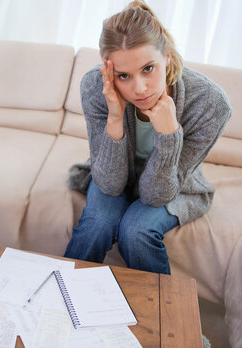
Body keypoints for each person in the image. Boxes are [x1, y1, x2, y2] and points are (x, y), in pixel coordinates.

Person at [64, 0, 232, 275]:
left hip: (176, 184)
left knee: (137, 230)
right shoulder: (96, 87)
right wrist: (115, 118)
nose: (139, 88)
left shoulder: (210, 104)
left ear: (167, 55)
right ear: (107, 70)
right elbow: (107, 184)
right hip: (117, 176)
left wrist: (169, 134)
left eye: (148, 69)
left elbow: (156, 195)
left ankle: (163, 317)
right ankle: (55, 305)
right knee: (98, 222)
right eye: (123, 75)